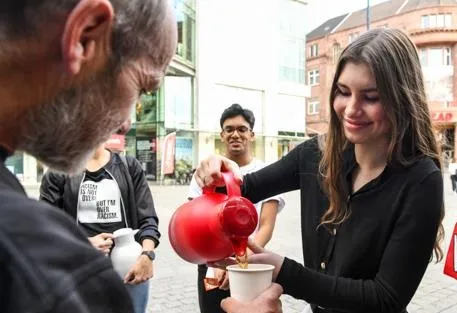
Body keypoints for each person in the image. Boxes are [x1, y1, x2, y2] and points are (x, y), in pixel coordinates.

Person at [194, 28, 445, 313]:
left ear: (401, 99)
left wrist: (284, 272)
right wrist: (218, 173)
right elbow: (243, 188)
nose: (351, 109)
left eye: (371, 97)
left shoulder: (421, 180)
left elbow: (386, 297)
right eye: (343, 92)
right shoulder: (316, 154)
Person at [0, 0, 176, 312]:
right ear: (84, 37)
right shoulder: (45, 278)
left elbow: (148, 220)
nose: (126, 123)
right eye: (142, 87)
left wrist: (146, 253)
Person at [40, 141, 160, 313]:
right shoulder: (58, 173)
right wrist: (83, 243)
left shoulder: (129, 166)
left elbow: (148, 219)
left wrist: (147, 255)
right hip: (80, 273)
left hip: (130, 270)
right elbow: (46, 229)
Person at [188, 103, 285, 313]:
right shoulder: (206, 172)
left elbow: (266, 225)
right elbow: (195, 223)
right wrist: (217, 260)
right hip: (212, 264)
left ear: (252, 135)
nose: (235, 134)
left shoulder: (266, 172)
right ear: (221, 135)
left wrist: (239, 261)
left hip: (251, 264)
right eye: (229, 129)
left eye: (242, 129)